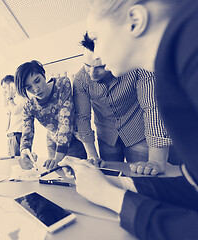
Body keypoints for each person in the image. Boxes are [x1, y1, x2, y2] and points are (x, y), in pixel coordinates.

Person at [59, 0, 198, 239]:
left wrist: (110, 197)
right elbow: (193, 188)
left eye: (97, 38)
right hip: (107, 134)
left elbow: (151, 110)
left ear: (135, 21)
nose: (96, 53)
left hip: (136, 132)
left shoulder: (189, 51)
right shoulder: (175, 62)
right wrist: (117, 185)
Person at [73, 32, 173, 175]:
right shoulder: (80, 80)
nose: (92, 74)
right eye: (87, 66)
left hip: (138, 135)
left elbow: (152, 108)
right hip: (107, 138)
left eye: (100, 67)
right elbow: (82, 118)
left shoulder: (138, 68)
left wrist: (156, 161)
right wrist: (92, 155)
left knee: (143, 177)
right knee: (112, 178)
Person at [15, 60, 87, 170]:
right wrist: (25, 153)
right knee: (56, 177)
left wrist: (58, 158)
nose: (36, 89)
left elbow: (65, 120)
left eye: (37, 81)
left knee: (78, 175)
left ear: (43, 75)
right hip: (52, 142)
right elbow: (27, 132)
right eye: (29, 87)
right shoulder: (29, 105)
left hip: (73, 139)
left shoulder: (62, 84)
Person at [1, 75, 24, 157]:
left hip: (17, 135)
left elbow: (15, 111)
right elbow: (7, 110)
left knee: (16, 162)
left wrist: (10, 98)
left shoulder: (21, 97)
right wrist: (7, 97)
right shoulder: (13, 99)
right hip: (12, 136)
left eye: (5, 87)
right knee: (11, 161)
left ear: (12, 85)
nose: (4, 90)